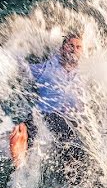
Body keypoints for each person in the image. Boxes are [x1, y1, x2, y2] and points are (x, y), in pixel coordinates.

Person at [9, 34, 85, 174]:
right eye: (70, 46)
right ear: (62, 49)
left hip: (70, 121)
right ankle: (19, 163)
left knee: (76, 147)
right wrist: (12, 54)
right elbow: (22, 69)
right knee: (22, 127)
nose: (74, 49)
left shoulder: (85, 75)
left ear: (82, 51)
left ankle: (66, 175)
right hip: (44, 115)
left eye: (78, 47)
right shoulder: (46, 68)